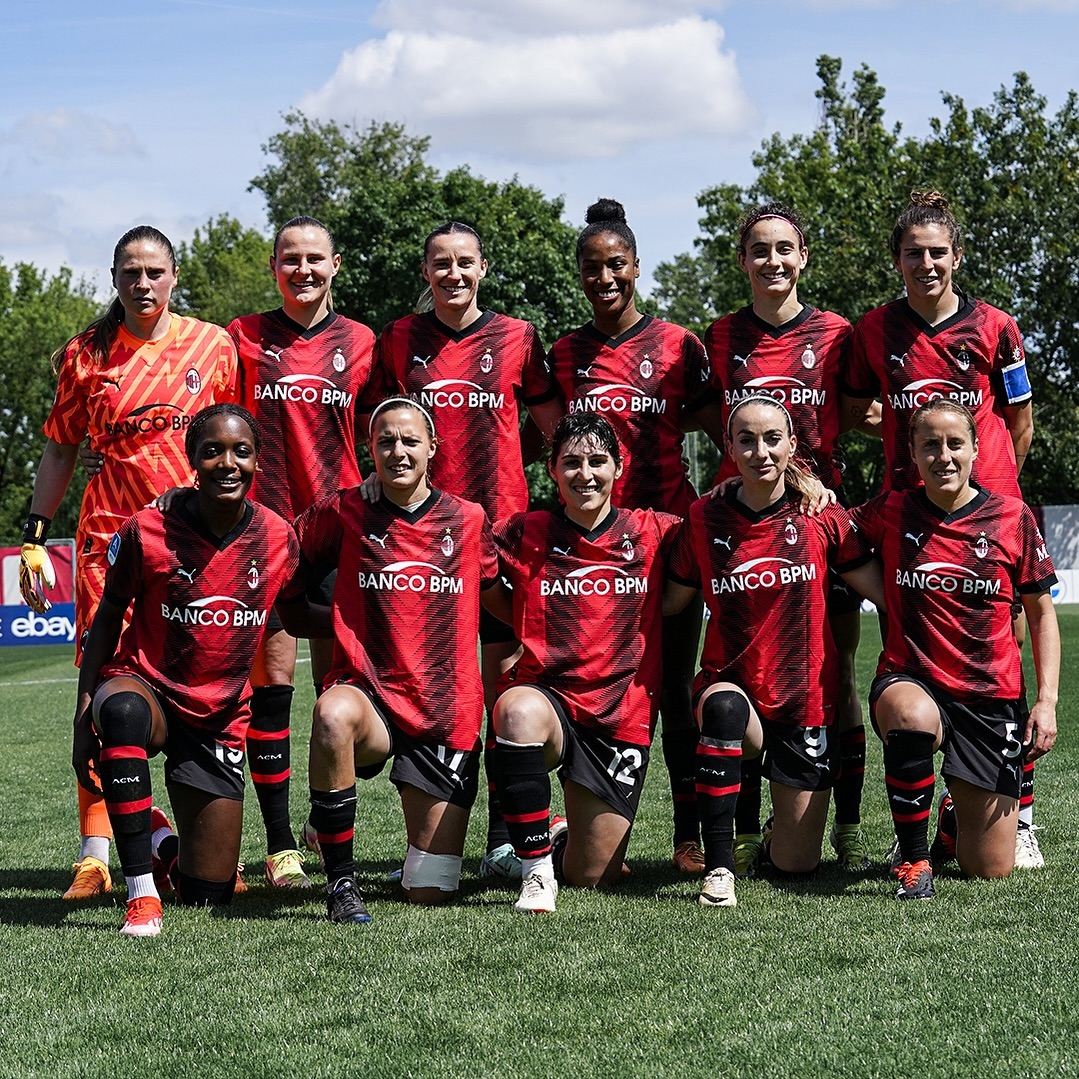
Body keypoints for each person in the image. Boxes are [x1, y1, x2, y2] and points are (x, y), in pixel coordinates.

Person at [20, 225, 237, 900]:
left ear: (174, 275)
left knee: (192, 685)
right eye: (129, 272)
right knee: (98, 687)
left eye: (153, 271)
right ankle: (94, 853)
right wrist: (33, 531)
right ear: (113, 278)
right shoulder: (85, 354)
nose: (142, 283)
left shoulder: (214, 345)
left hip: (190, 547)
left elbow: (238, 438)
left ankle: (185, 834)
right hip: (107, 545)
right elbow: (60, 447)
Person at [842, 190, 1043, 867]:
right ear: (895, 260)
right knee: (916, 638)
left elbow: (1020, 423)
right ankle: (923, 817)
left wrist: (993, 491)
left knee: (1001, 643)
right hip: (910, 510)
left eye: (936, 252)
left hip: (987, 513)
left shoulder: (998, 327)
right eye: (912, 253)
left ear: (956, 257)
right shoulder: (873, 330)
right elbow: (851, 408)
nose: (925, 263)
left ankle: (1020, 812)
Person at [71, 405, 306, 936]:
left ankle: (159, 840)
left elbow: (298, 614)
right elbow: (107, 617)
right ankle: (141, 893)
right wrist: (84, 709)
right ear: (192, 459)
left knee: (209, 894)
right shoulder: (149, 529)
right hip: (146, 687)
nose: (227, 463)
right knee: (124, 710)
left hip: (218, 715)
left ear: (257, 462)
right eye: (213, 451)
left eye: (240, 451)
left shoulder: (277, 538)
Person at [374, 221, 563, 880]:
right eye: (440, 264)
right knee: (437, 692)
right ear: (425, 272)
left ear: (483, 268)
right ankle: (431, 833)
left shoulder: (516, 337)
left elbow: (551, 431)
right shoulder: (398, 339)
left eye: (464, 263)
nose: (453, 274)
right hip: (422, 543)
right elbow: (377, 425)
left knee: (504, 684)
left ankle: (506, 838)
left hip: (501, 538)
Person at [545, 198, 725, 874]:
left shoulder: (678, 346)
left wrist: (791, 478)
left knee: (675, 688)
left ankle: (687, 834)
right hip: (590, 551)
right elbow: (549, 445)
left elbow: (724, 434)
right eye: (591, 268)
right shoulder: (563, 354)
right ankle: (567, 824)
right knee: (585, 683)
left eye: (615, 265)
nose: (604, 278)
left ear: (636, 267)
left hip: (666, 545)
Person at [704, 202, 878, 874]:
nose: (772, 261)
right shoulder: (720, 337)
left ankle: (850, 825)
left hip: (818, 525)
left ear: (803, 256)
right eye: (759, 250)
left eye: (785, 249)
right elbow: (702, 415)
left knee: (832, 676)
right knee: (742, 671)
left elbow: (868, 409)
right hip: (744, 532)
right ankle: (745, 824)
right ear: (742, 260)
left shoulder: (836, 333)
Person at [665, 395, 885, 908]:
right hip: (734, 690)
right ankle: (720, 870)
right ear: (730, 448)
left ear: (790, 446)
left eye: (770, 439)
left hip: (802, 702)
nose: (759, 451)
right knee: (720, 707)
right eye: (746, 440)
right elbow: (670, 600)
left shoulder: (821, 515)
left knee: (797, 865)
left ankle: (767, 840)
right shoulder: (704, 517)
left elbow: (879, 585)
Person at [293, 397, 503, 923]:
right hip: (371, 696)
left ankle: (407, 857)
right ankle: (341, 884)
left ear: (433, 448)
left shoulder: (469, 519)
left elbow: (504, 596)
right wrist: (334, 620)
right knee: (331, 713)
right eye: (386, 440)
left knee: (428, 891)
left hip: (443, 712)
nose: (398, 451)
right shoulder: (345, 510)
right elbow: (281, 558)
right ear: (370, 450)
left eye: (410, 440)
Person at [851, 398, 1058, 899]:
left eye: (954, 444)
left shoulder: (1011, 517)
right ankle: (913, 859)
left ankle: (949, 824)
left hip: (989, 696)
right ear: (913, 453)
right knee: (910, 716)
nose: (943, 456)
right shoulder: (893, 510)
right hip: (912, 678)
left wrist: (1047, 700)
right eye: (930, 445)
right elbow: (831, 529)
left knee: (990, 869)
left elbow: (1041, 614)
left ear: (975, 449)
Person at [226, 215, 380, 889]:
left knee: (338, 692)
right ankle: (281, 843)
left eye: (314, 258)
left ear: (336, 265)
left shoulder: (363, 342)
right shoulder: (242, 337)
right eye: (291, 258)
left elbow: (388, 429)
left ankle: (324, 821)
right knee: (271, 690)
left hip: (338, 537)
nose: (303, 269)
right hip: (267, 536)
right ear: (273, 266)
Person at [490, 413, 681, 913]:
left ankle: (556, 839)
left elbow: (731, 519)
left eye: (597, 461)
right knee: (515, 710)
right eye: (570, 463)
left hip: (621, 716)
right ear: (552, 470)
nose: (585, 474)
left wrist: (807, 489)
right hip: (550, 700)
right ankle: (534, 873)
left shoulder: (654, 531)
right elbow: (460, 546)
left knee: (590, 876)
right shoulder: (523, 531)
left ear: (620, 467)